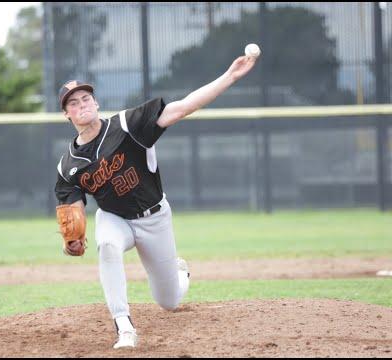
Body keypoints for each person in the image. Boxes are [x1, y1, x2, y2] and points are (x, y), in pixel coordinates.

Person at [54, 54, 257, 349]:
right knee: (107, 245)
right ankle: (124, 327)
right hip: (115, 218)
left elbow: (185, 106)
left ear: (96, 103)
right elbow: (72, 212)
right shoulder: (68, 166)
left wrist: (230, 76)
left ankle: (180, 271)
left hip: (154, 218)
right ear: (66, 114)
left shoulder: (128, 124)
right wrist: (71, 241)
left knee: (169, 300)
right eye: (73, 103)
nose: (81, 104)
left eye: (86, 98)